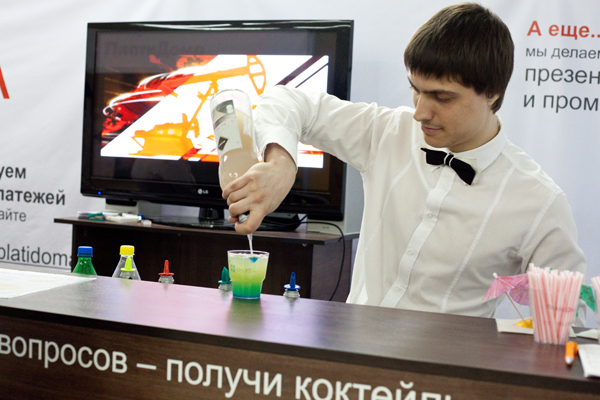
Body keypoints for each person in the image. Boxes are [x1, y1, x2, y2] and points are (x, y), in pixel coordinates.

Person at [221, 3, 587, 319]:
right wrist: (282, 164)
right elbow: (285, 99)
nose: (420, 112)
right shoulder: (387, 132)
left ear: (492, 93)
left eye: (442, 97)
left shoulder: (538, 202)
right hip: (352, 359)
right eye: (415, 89)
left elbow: (567, 321)